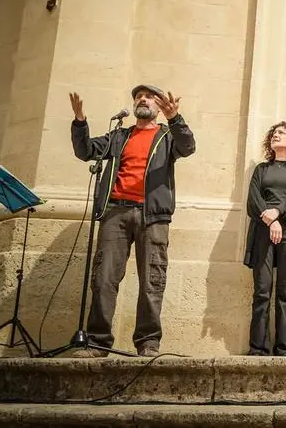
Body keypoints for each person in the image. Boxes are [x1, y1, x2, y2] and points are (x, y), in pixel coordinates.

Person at [69, 85, 196, 357]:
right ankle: (98, 342)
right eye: (139, 96)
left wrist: (175, 120)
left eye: (150, 97)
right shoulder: (119, 136)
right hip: (115, 212)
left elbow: (188, 147)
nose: (143, 99)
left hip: (153, 216)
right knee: (103, 279)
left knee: (152, 280)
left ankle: (148, 343)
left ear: (159, 106)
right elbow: (86, 151)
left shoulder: (167, 136)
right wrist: (80, 122)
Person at [243, 121, 286, 356]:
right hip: (264, 230)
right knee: (262, 290)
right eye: (273, 133)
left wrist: (279, 213)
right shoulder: (262, 169)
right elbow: (253, 201)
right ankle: (258, 348)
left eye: (281, 133)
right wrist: (271, 220)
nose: (275, 135)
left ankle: (284, 349)